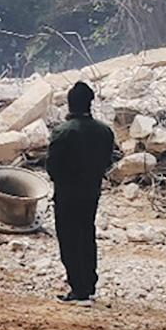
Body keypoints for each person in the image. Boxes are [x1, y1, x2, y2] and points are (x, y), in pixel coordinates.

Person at [46, 81, 115, 305]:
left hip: (67, 193)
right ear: (90, 103)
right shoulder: (105, 131)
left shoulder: (63, 132)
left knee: (70, 239)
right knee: (87, 235)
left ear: (69, 104)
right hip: (91, 192)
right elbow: (107, 162)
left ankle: (78, 289)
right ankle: (89, 284)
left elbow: (52, 167)